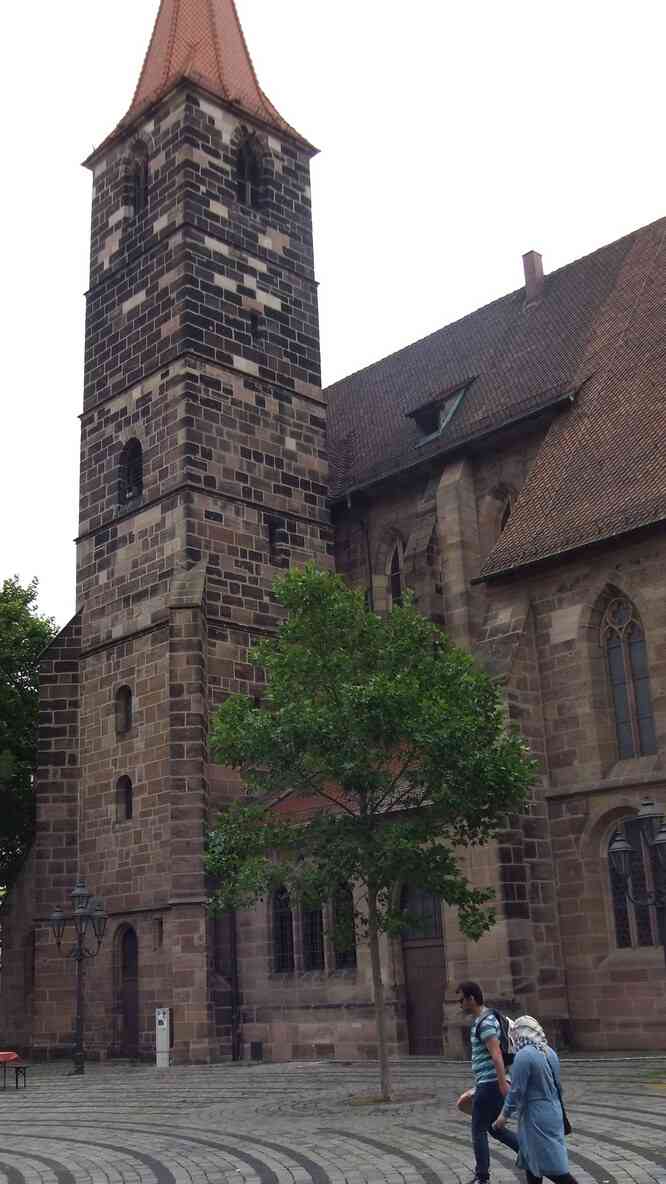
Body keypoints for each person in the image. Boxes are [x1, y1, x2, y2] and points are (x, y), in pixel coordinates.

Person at [493, 1015, 578, 1184]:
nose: (513, 1038)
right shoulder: (550, 1052)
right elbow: (558, 1087)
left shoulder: (524, 1056)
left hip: (535, 1116)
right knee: (533, 1163)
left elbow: (516, 1091)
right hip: (553, 1112)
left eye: (515, 1034)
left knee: (553, 1167)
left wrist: (503, 1116)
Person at [456, 980, 520, 1184]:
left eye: (461, 999)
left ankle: (482, 1177)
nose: (460, 1004)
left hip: (490, 1083)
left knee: (478, 1129)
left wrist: (502, 1084)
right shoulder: (484, 1020)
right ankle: (528, 1150)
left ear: (471, 999)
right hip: (489, 1082)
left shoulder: (485, 1023)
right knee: (494, 1127)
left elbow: (496, 1054)